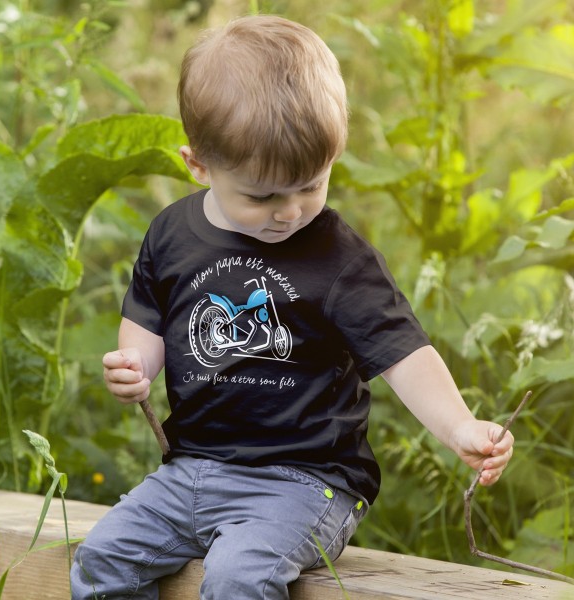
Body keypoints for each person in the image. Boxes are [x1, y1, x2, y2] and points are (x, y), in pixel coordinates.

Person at [70, 14, 514, 600]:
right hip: (191, 470)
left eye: (312, 184)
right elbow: (149, 313)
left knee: (238, 577)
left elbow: (402, 352)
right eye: (263, 196)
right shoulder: (172, 233)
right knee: (102, 561)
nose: (290, 211)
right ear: (198, 165)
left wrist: (459, 425)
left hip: (306, 481)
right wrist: (135, 365)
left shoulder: (339, 259)